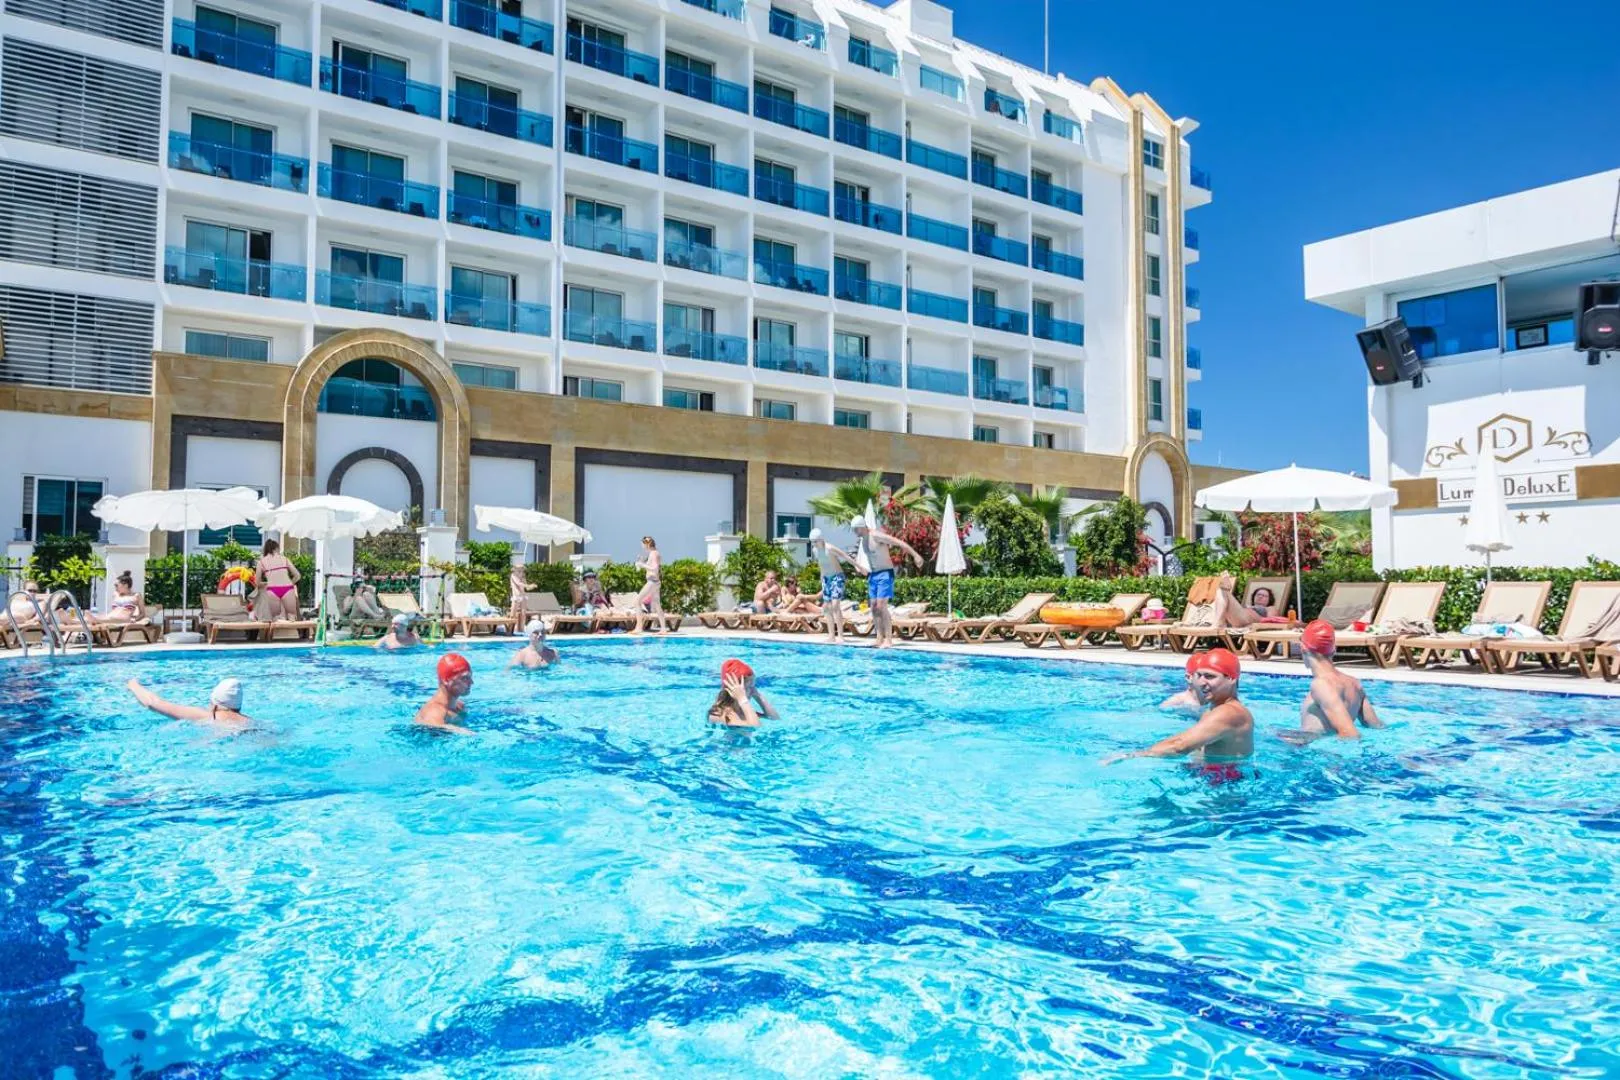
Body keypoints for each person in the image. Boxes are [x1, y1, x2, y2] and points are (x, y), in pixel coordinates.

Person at [1104, 648, 1254, 777]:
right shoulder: (1215, 709)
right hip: (1212, 776)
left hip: (1226, 785)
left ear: (1232, 679)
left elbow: (1180, 746)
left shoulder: (1228, 713)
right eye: (1199, 675)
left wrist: (1134, 755)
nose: (1201, 682)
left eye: (1210, 676)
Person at [1290, 620, 1383, 742]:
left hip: (1316, 755)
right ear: (1333, 650)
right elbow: (1376, 726)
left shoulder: (1321, 685)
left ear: (1303, 649)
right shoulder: (1354, 684)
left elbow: (1350, 734)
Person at [851, 516, 923, 649]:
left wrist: (915, 555)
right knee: (873, 606)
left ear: (862, 527)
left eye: (856, 529)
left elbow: (899, 542)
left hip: (885, 573)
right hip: (873, 575)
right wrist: (859, 567)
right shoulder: (863, 541)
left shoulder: (876, 535)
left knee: (881, 605)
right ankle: (879, 638)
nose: (855, 532)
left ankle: (888, 639)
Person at [126, 676, 249, 727]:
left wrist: (133, 684)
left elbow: (152, 703)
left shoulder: (207, 716)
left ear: (215, 703)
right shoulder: (249, 721)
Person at [810, 529, 859, 642]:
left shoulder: (830, 548)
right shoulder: (815, 550)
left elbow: (846, 556)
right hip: (826, 579)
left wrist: (858, 567)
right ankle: (831, 635)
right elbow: (821, 564)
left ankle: (841, 636)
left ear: (821, 539)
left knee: (835, 605)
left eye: (815, 541)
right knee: (826, 607)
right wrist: (821, 578)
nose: (814, 544)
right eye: (812, 542)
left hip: (837, 577)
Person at [707, 658, 780, 728]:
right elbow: (755, 727)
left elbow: (774, 719)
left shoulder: (743, 711)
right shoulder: (718, 714)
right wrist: (742, 699)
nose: (752, 691)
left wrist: (758, 696)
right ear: (733, 690)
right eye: (748, 687)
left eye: (753, 687)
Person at [416, 652, 473, 734]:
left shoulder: (459, 706)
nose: (471, 682)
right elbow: (432, 728)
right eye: (464, 678)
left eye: (470, 677)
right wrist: (461, 731)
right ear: (446, 680)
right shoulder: (434, 712)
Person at [254, 538, 302, 621]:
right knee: (292, 617)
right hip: (287, 588)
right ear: (276, 548)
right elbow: (297, 576)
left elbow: (257, 582)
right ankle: (293, 633)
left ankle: (277, 633)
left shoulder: (261, 562)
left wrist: (266, 583)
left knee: (276, 618)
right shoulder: (284, 559)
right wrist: (291, 583)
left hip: (273, 589)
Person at [636, 536, 670, 631]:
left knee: (637, 601)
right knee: (657, 605)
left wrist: (642, 565)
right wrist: (644, 564)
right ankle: (663, 629)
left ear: (647, 544)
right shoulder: (655, 553)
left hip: (652, 582)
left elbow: (654, 569)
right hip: (656, 582)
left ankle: (638, 628)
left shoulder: (653, 554)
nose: (642, 546)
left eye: (642, 544)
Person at [508, 553, 529, 627]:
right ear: (515, 569)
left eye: (522, 569)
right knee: (513, 614)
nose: (521, 571)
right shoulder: (513, 575)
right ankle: (510, 628)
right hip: (516, 596)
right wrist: (527, 585)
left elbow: (526, 588)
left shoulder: (523, 577)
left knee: (523, 613)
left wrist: (526, 581)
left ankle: (522, 628)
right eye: (519, 569)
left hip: (523, 596)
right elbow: (518, 583)